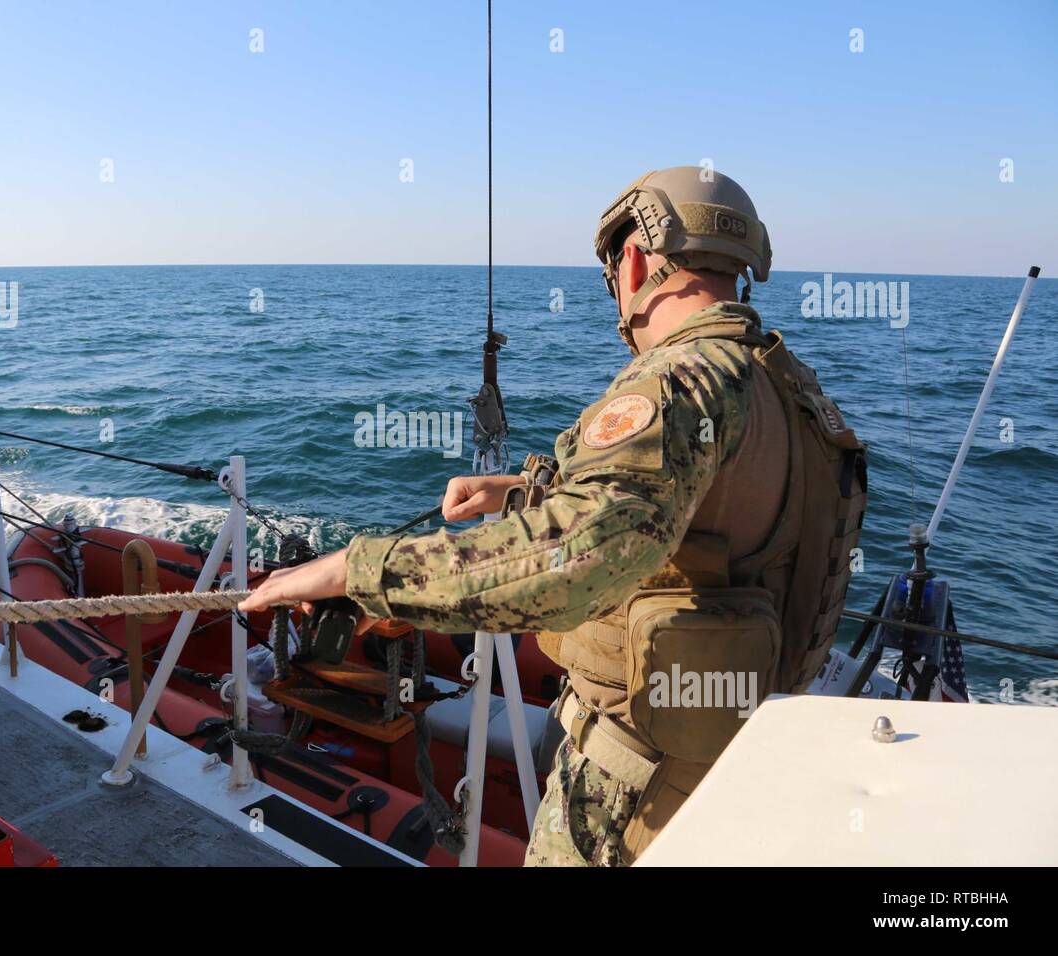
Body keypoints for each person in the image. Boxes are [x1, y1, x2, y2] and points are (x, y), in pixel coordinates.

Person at [239, 166, 867, 866]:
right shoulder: (787, 387)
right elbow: (700, 526)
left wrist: (351, 570)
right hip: (739, 762)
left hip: (640, 791)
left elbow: (575, 565)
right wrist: (519, 495)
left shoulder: (678, 380)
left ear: (633, 262)